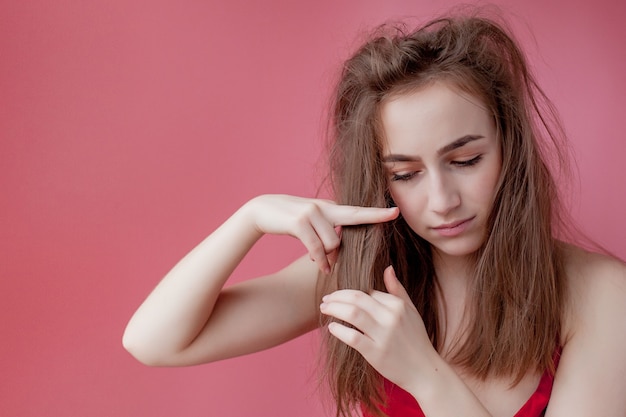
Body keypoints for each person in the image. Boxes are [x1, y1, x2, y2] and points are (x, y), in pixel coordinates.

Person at [122, 12, 626, 417]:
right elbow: (153, 341)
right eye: (405, 174)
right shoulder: (356, 278)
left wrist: (423, 373)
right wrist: (249, 219)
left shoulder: (600, 293)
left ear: (509, 149)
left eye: (466, 160)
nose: (442, 199)